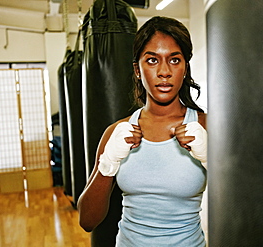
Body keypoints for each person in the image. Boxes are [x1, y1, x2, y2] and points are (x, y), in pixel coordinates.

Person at [77, 16, 207, 246]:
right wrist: (107, 164)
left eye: (174, 60)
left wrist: (211, 159)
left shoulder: (207, 128)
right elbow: (87, 220)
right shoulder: (116, 133)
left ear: (185, 67)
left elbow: (247, 209)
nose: (164, 71)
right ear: (137, 70)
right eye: (152, 60)